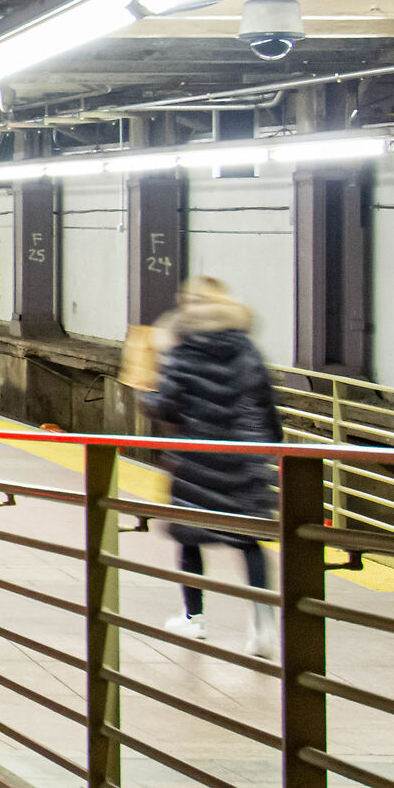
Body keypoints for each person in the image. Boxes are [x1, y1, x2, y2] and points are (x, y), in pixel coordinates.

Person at [141, 276, 282, 655]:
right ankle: (263, 624)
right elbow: (266, 402)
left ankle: (194, 618)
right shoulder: (246, 347)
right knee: (249, 540)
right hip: (246, 457)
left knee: (190, 536)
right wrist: (275, 447)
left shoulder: (183, 349)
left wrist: (146, 394)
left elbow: (167, 407)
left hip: (196, 457)